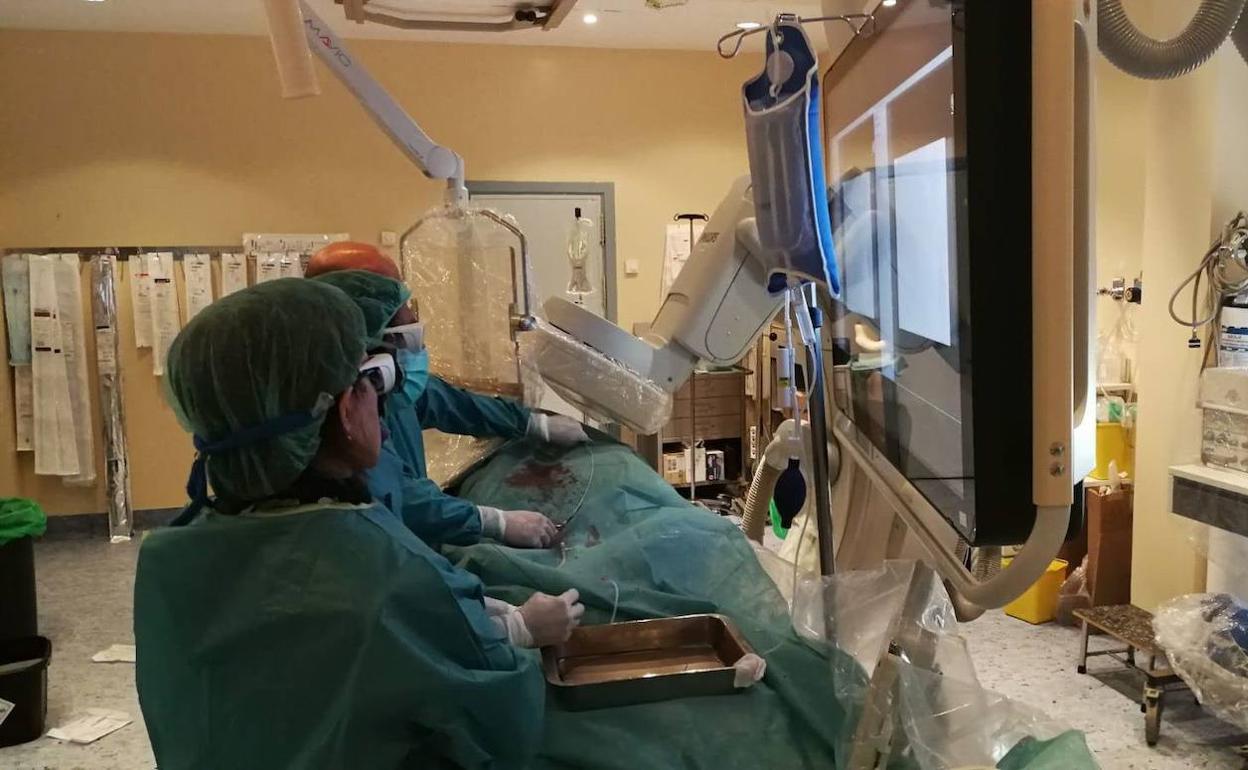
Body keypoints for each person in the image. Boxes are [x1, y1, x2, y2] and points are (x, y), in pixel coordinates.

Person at [134, 278, 582, 770]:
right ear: (346, 409)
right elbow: (496, 729)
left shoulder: (165, 561)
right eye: (372, 383)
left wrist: (453, 618)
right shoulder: (383, 577)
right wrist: (511, 633)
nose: (384, 413)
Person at [306, 242, 588, 550]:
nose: (410, 316)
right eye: (395, 304)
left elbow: (453, 403)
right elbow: (403, 498)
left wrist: (532, 423)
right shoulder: (335, 417)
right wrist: (492, 522)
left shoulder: (392, 384)